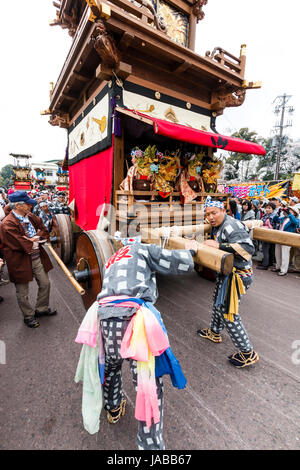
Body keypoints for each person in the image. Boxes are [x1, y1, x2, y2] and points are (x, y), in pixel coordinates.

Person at [75, 232, 196, 450]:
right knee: (147, 382)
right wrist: (193, 248)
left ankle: (112, 408)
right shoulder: (144, 250)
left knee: (111, 366)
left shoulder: (112, 259)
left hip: (105, 318)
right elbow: (180, 263)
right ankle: (150, 446)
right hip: (133, 322)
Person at [197, 197, 259, 368]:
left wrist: (218, 246)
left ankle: (247, 352)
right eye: (207, 214)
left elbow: (248, 249)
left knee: (228, 312)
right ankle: (215, 332)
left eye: (214, 213)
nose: (210, 217)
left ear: (224, 211)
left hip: (237, 276)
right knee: (218, 301)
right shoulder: (218, 225)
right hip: (226, 274)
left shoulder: (232, 226)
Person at [0, 191, 56, 328]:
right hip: (19, 260)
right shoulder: (7, 223)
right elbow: (17, 242)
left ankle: (41, 309)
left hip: (36, 257)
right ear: (18, 206)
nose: (30, 206)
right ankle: (28, 316)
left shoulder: (29, 216)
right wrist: (33, 240)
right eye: (27, 204)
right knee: (22, 291)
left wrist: (36, 237)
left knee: (45, 283)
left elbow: (43, 228)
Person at [271, 205, 299, 276]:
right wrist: (278, 213)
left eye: (291, 210)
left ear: (294, 213)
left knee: (285, 254)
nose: (289, 210)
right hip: (279, 236)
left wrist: (289, 214)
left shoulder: (296, 219)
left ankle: (283, 270)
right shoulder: (284, 218)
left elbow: (295, 223)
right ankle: (278, 266)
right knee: (277, 253)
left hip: (287, 238)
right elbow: (275, 220)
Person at [256, 202, 278, 270]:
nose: (267, 209)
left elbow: (276, 226)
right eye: (266, 208)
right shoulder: (266, 215)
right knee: (267, 249)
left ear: (273, 209)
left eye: (269, 208)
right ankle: (268, 262)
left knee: (266, 249)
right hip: (265, 233)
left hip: (270, 234)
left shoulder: (275, 216)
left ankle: (265, 265)